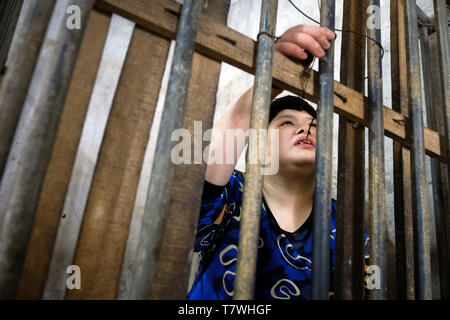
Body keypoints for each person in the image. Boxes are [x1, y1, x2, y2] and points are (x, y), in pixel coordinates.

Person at [186, 25, 369, 300]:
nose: (305, 129)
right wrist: (270, 78)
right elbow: (192, 219)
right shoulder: (234, 193)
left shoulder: (344, 225)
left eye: (314, 125)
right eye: (286, 123)